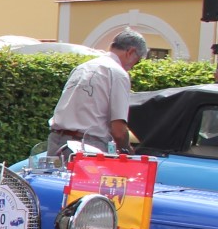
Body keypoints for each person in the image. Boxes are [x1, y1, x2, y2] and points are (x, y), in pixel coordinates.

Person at [45, 29, 148, 158]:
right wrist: (127, 151)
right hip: (87, 145)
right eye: (137, 61)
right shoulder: (118, 74)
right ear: (131, 52)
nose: (133, 66)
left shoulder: (82, 67)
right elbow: (118, 131)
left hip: (56, 141)